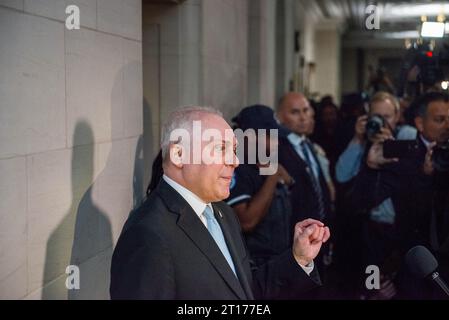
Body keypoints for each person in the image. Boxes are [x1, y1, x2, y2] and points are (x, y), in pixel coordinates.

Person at [110, 106, 330, 299]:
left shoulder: (221, 212)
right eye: (219, 149)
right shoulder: (148, 233)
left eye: (233, 150)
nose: (234, 160)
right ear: (179, 154)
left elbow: (245, 287)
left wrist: (298, 258)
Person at [351, 91, 449, 299]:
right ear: (420, 123)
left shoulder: (420, 150)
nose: (447, 126)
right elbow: (359, 200)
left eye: (387, 116)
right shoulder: (372, 149)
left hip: (420, 250)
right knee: (375, 291)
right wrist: (371, 165)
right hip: (377, 243)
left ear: (397, 116)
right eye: (440, 120)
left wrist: (426, 175)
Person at [226, 105, 294, 267]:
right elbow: (246, 222)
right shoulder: (237, 168)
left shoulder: (264, 163)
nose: (277, 143)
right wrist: (272, 176)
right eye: (270, 137)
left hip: (278, 261)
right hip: (254, 266)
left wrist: (286, 179)